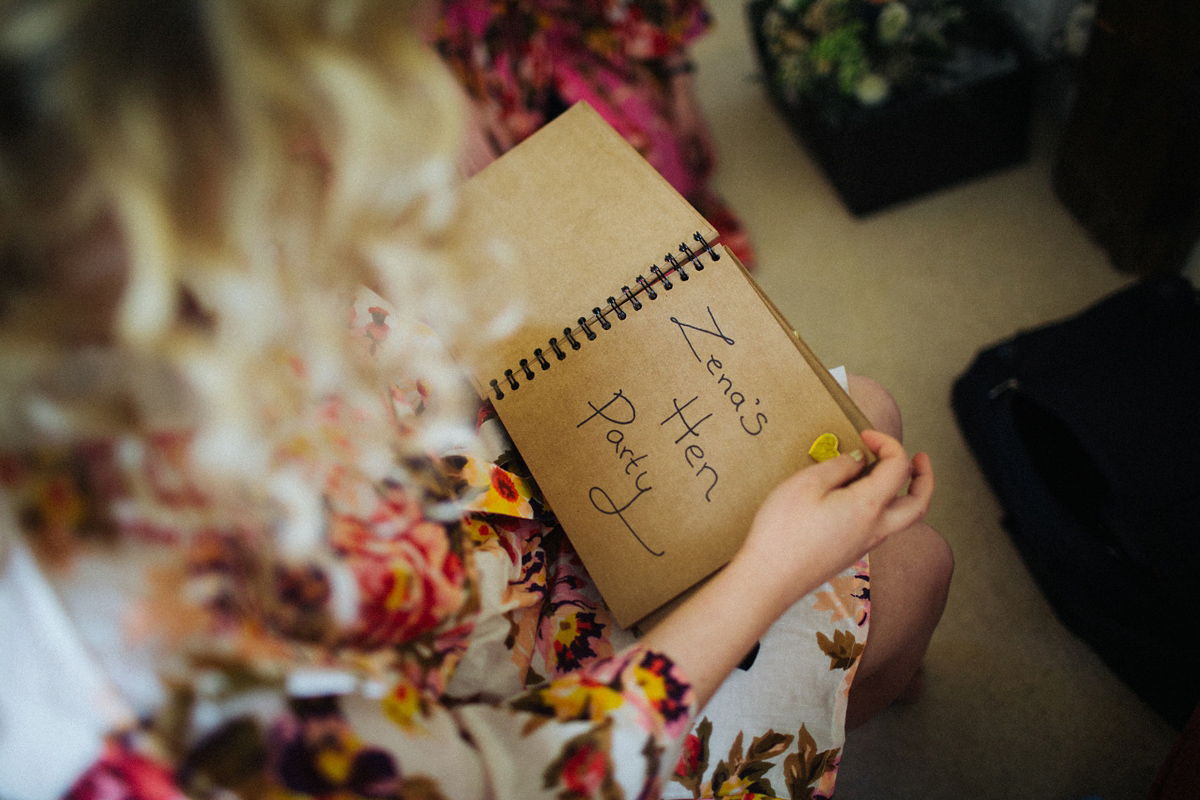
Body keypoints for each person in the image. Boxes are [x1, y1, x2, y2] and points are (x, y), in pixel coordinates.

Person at [0, 2, 950, 799]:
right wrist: (768, 572)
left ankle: (866, 674)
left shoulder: (107, 291)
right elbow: (536, 774)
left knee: (864, 412)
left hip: (472, 517)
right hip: (533, 722)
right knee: (917, 573)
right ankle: (877, 685)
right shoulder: (184, 727)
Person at [432, 0, 759, 267]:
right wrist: (454, 108)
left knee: (660, 173)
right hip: (461, 51)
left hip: (581, 27)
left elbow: (656, 10)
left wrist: (681, 91)